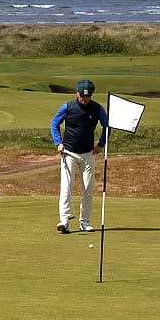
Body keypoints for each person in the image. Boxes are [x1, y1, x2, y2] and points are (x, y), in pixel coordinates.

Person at [51, 79, 108, 234]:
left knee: (88, 188)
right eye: (82, 96)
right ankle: (65, 220)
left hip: (88, 154)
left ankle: (85, 221)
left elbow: (107, 126)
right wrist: (59, 143)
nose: (84, 99)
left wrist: (101, 144)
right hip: (68, 153)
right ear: (77, 93)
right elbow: (54, 123)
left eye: (87, 97)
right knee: (66, 187)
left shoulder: (97, 109)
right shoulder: (68, 107)